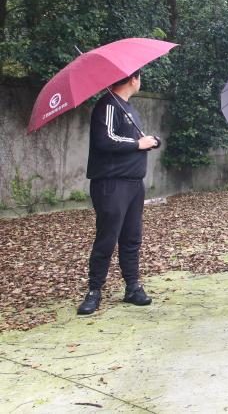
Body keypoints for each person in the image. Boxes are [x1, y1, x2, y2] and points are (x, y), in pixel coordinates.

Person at [77, 70, 160, 315]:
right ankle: (94, 291)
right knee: (107, 238)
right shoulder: (107, 105)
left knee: (131, 238)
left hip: (134, 184)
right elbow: (105, 140)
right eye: (140, 78)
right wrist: (138, 143)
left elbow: (127, 141)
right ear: (133, 79)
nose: (140, 82)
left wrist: (150, 140)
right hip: (112, 184)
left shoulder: (128, 109)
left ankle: (132, 287)